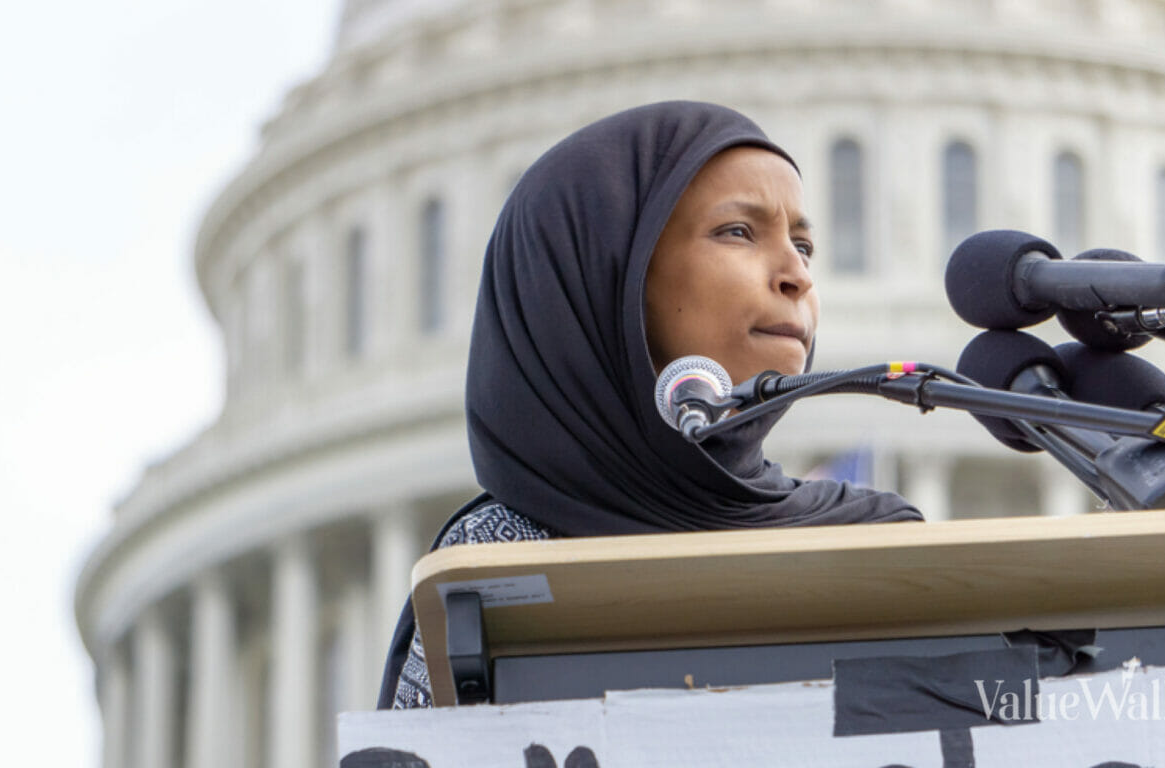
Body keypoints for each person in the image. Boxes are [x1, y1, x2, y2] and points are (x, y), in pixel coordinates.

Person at [377, 101, 922, 709]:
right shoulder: (494, 564)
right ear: (607, 275)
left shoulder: (873, 539)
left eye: (803, 244)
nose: (798, 274)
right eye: (738, 232)